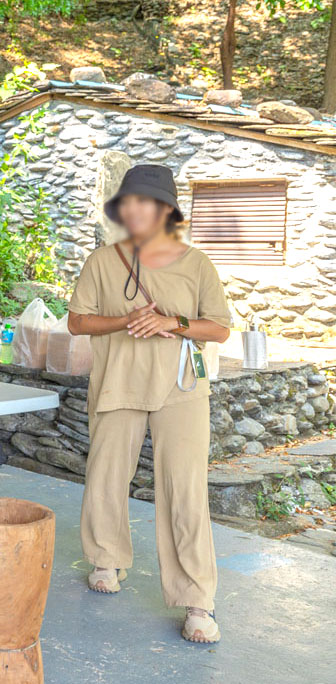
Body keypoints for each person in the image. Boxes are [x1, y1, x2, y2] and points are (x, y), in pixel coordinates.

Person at [67, 164, 231, 644]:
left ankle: (198, 599)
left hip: (180, 387)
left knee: (184, 488)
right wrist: (124, 322)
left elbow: (218, 328)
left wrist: (172, 322)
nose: (135, 210)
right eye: (129, 202)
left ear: (166, 210)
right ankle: (105, 559)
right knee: (106, 474)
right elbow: (77, 322)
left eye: (146, 202)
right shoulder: (103, 261)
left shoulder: (197, 264)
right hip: (119, 380)